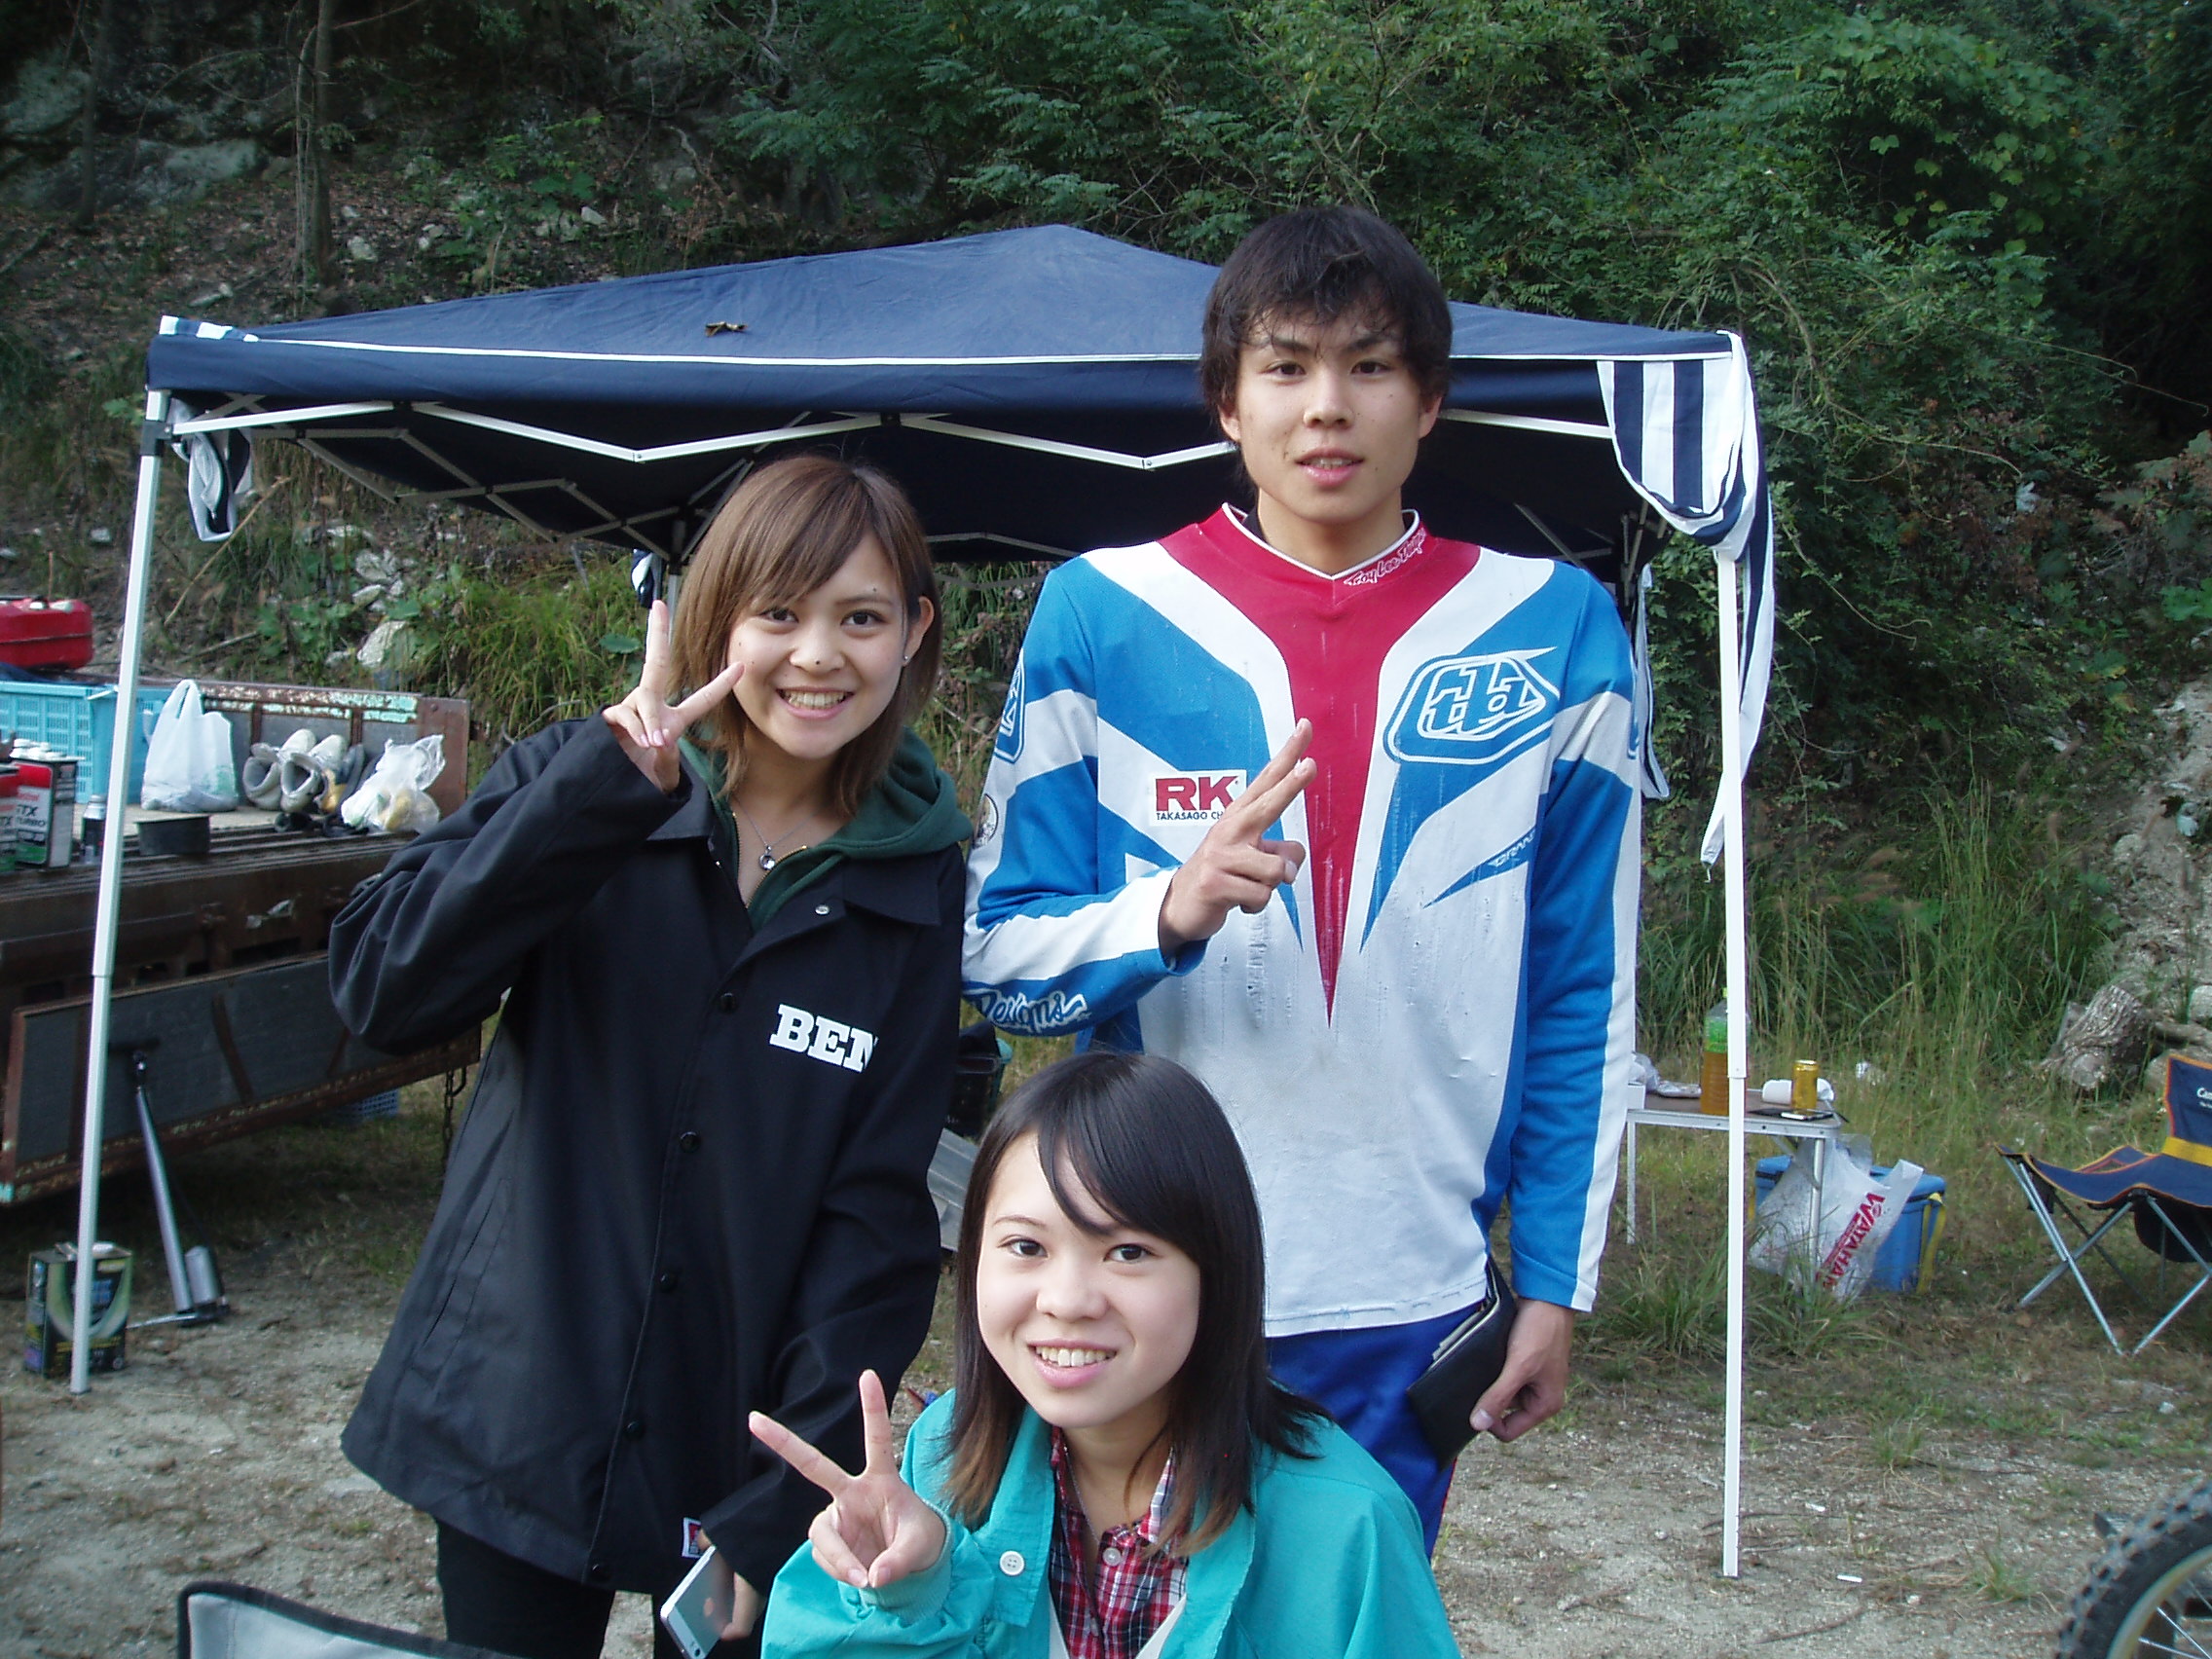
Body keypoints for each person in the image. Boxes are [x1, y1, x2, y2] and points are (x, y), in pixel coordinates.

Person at [961, 205, 1640, 1543]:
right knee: (1131, 1623)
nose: (1327, 406)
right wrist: (1165, 912)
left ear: (1428, 400)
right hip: (1142, 1283)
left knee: (1346, 1624)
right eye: (1285, 366)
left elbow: (1582, 990)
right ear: (1227, 401)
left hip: (1412, 1294)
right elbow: (997, 962)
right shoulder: (1102, 610)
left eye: (1370, 365)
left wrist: (1555, 1282)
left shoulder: (1556, 625)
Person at [331, 454, 973, 1659]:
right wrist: (593, 799)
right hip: (520, 1400)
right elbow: (384, 989)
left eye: (861, 618)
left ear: (913, 634)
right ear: (718, 616)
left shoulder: (918, 879)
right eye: (777, 612)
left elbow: (875, 1211)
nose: (817, 656)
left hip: (738, 1430)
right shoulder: (591, 784)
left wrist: (785, 1501)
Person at [750, 1051, 1463, 1659]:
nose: (1067, 1300)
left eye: (1127, 1252)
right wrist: (910, 1593)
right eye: (1026, 1246)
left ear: (1217, 1272)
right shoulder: (943, 1456)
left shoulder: (1347, 1530)